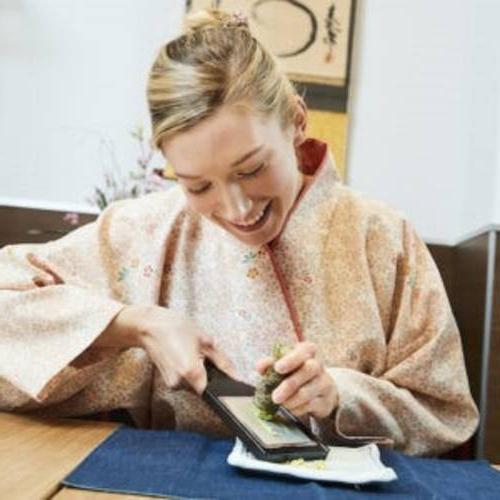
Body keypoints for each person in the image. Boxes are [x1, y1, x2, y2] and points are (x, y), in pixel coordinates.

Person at [0, 9, 478, 456]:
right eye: (198, 185)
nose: (236, 208)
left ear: (296, 121)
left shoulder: (383, 237)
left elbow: (445, 413)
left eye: (251, 169)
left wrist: (339, 397)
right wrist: (135, 325)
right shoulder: (141, 233)